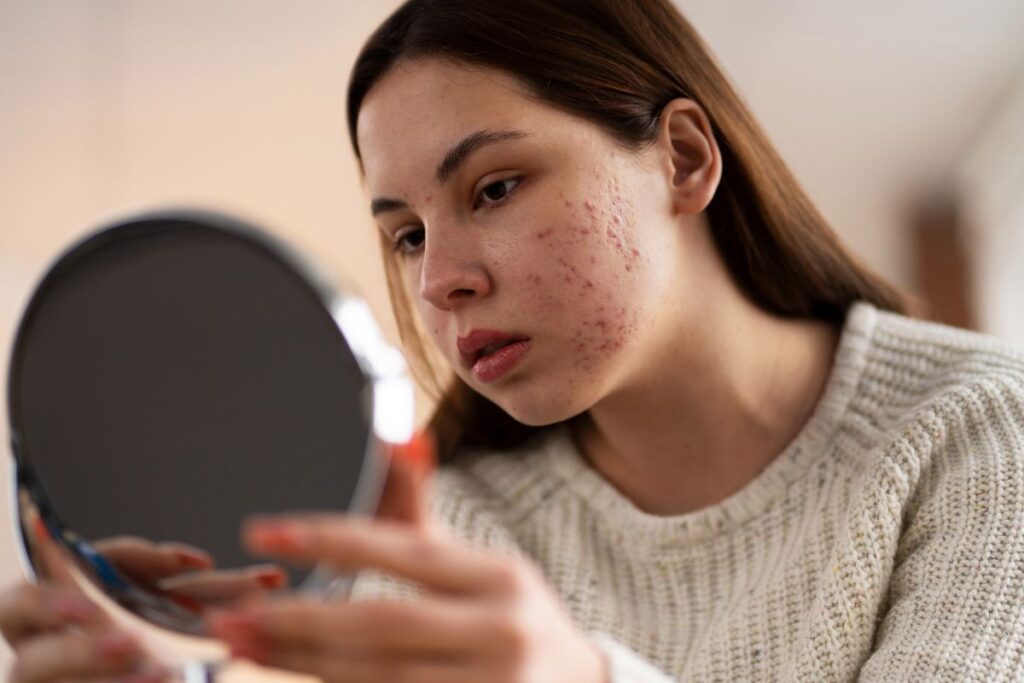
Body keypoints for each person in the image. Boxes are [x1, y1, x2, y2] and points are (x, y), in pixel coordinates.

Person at [4, 0, 1024, 681]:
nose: (439, 277)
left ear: (679, 156)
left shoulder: (975, 430)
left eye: (493, 187)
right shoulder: (443, 533)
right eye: (404, 234)